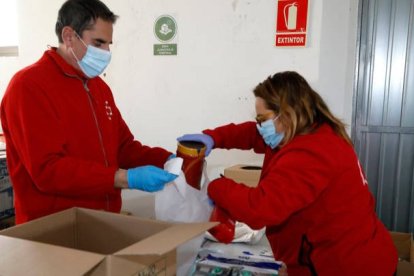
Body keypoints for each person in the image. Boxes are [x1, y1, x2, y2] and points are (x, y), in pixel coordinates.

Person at [178, 71, 398, 275]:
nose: (259, 126)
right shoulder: (303, 132)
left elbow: (260, 208)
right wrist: (213, 138)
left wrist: (212, 186)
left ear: (286, 114)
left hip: (349, 266)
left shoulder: (312, 152)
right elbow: (251, 134)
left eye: (262, 119)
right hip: (334, 256)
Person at [0, 0, 178, 225]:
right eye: (98, 43)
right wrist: (124, 178)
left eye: (108, 44)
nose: (106, 53)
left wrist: (168, 160)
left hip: (101, 223)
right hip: (53, 230)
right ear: (68, 36)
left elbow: (123, 148)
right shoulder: (29, 87)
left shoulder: (98, 87)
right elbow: (48, 170)